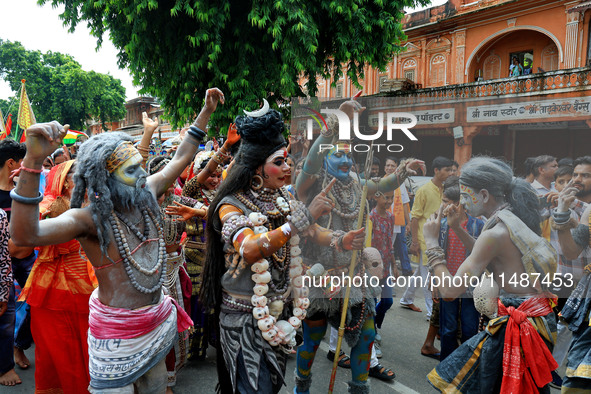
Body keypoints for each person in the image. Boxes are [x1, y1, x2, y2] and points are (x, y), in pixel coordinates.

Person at [9, 88, 224, 393]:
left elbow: (182, 157)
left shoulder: (146, 190)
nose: (142, 175)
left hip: (155, 322)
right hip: (116, 337)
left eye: (141, 166)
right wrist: (32, 160)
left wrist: (205, 112)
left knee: (157, 386)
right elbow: (25, 235)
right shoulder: (90, 219)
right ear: (106, 178)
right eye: (132, 170)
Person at [200, 105, 348, 393]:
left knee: (270, 386)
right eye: (279, 162)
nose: (287, 167)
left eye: (287, 160)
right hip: (243, 319)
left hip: (277, 315)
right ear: (257, 168)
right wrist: (299, 221)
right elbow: (250, 250)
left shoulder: (282, 198)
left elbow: (312, 230)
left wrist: (341, 240)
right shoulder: (231, 204)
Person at [295, 99, 425, 393]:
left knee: (365, 336)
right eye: (337, 155)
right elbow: (313, 161)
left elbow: (382, 185)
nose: (344, 161)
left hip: (352, 276)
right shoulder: (311, 183)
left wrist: (403, 170)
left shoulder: (356, 182)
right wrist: (334, 126)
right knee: (312, 341)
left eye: (348, 155)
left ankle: (359, 388)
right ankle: (301, 387)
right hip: (319, 277)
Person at [424, 157, 558, 392]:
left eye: (466, 196)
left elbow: (450, 291)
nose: (463, 204)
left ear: (484, 195)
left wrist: (432, 243)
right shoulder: (508, 219)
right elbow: (490, 253)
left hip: (518, 323)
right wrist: (456, 227)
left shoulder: (495, 232)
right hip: (535, 315)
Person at [18, 160, 98, 392]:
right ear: (62, 181)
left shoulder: (101, 204)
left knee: (94, 350)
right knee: (61, 355)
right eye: (76, 174)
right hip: (52, 293)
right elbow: (18, 247)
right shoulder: (48, 206)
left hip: (95, 288)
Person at [551, 157, 591, 390]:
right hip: (575, 282)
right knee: (563, 329)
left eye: (585, 175)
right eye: (576, 174)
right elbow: (570, 251)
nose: (577, 179)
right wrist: (563, 211)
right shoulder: (585, 213)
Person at [435, 176, 484, 361]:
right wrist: (435, 281)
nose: (443, 205)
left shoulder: (477, 225)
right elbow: (437, 254)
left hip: (471, 284)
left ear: (458, 204)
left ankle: (464, 366)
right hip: (447, 282)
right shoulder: (441, 226)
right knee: (448, 328)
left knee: (470, 328)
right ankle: (446, 365)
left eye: (446, 202)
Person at [401, 156, 454, 318]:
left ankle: (406, 299)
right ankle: (432, 313)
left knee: (421, 272)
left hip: (440, 238)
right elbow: (415, 217)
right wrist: (415, 242)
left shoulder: (446, 190)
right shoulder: (424, 190)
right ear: (437, 171)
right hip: (425, 239)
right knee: (428, 277)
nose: (450, 173)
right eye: (447, 170)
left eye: (451, 170)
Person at [0, 139, 35, 379]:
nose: (26, 168)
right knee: (6, 314)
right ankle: (5, 367)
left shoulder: (24, 191)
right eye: (23, 162)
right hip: (4, 264)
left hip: (28, 259)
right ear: (12, 163)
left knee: (39, 303)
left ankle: (19, 345)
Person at [384, 157, 413, 276]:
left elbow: (405, 203)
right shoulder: (381, 182)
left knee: (390, 249)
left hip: (397, 222)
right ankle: (387, 276)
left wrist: (408, 223)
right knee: (386, 249)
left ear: (397, 168)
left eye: (392, 166)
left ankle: (389, 276)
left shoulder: (399, 183)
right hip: (383, 221)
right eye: (388, 165)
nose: (390, 168)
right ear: (384, 167)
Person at [0, 209, 14, 386]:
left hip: (0, 281)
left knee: (5, 323)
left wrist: (3, 292)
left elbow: (4, 256)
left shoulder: (1, 216)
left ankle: (5, 366)